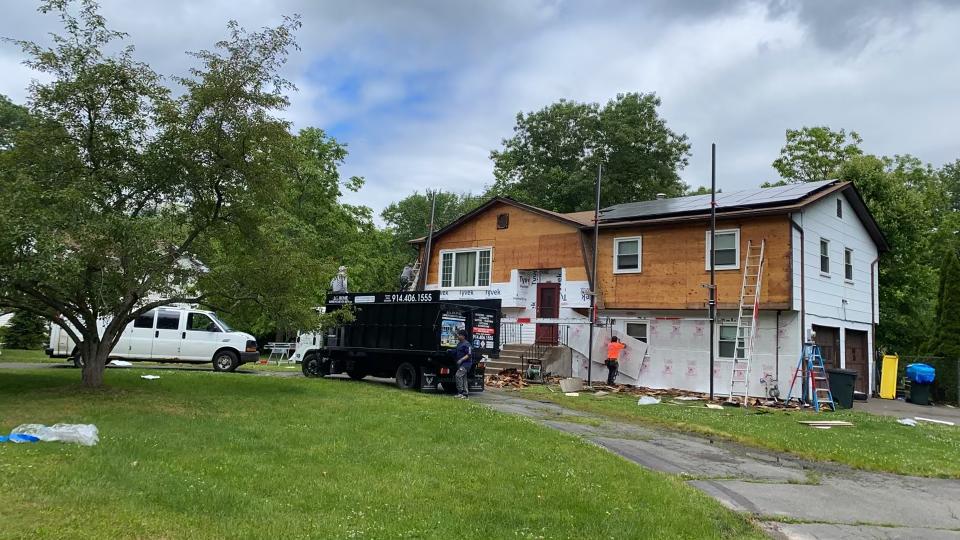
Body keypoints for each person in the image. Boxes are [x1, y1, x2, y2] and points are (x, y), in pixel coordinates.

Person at [452, 330, 473, 399]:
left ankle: (460, 392)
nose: (457, 336)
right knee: (464, 378)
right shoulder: (459, 344)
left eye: (459, 335)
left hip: (466, 364)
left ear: (463, 336)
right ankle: (465, 394)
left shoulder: (467, 344)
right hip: (461, 365)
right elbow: (455, 351)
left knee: (458, 375)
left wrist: (461, 360)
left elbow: (469, 354)